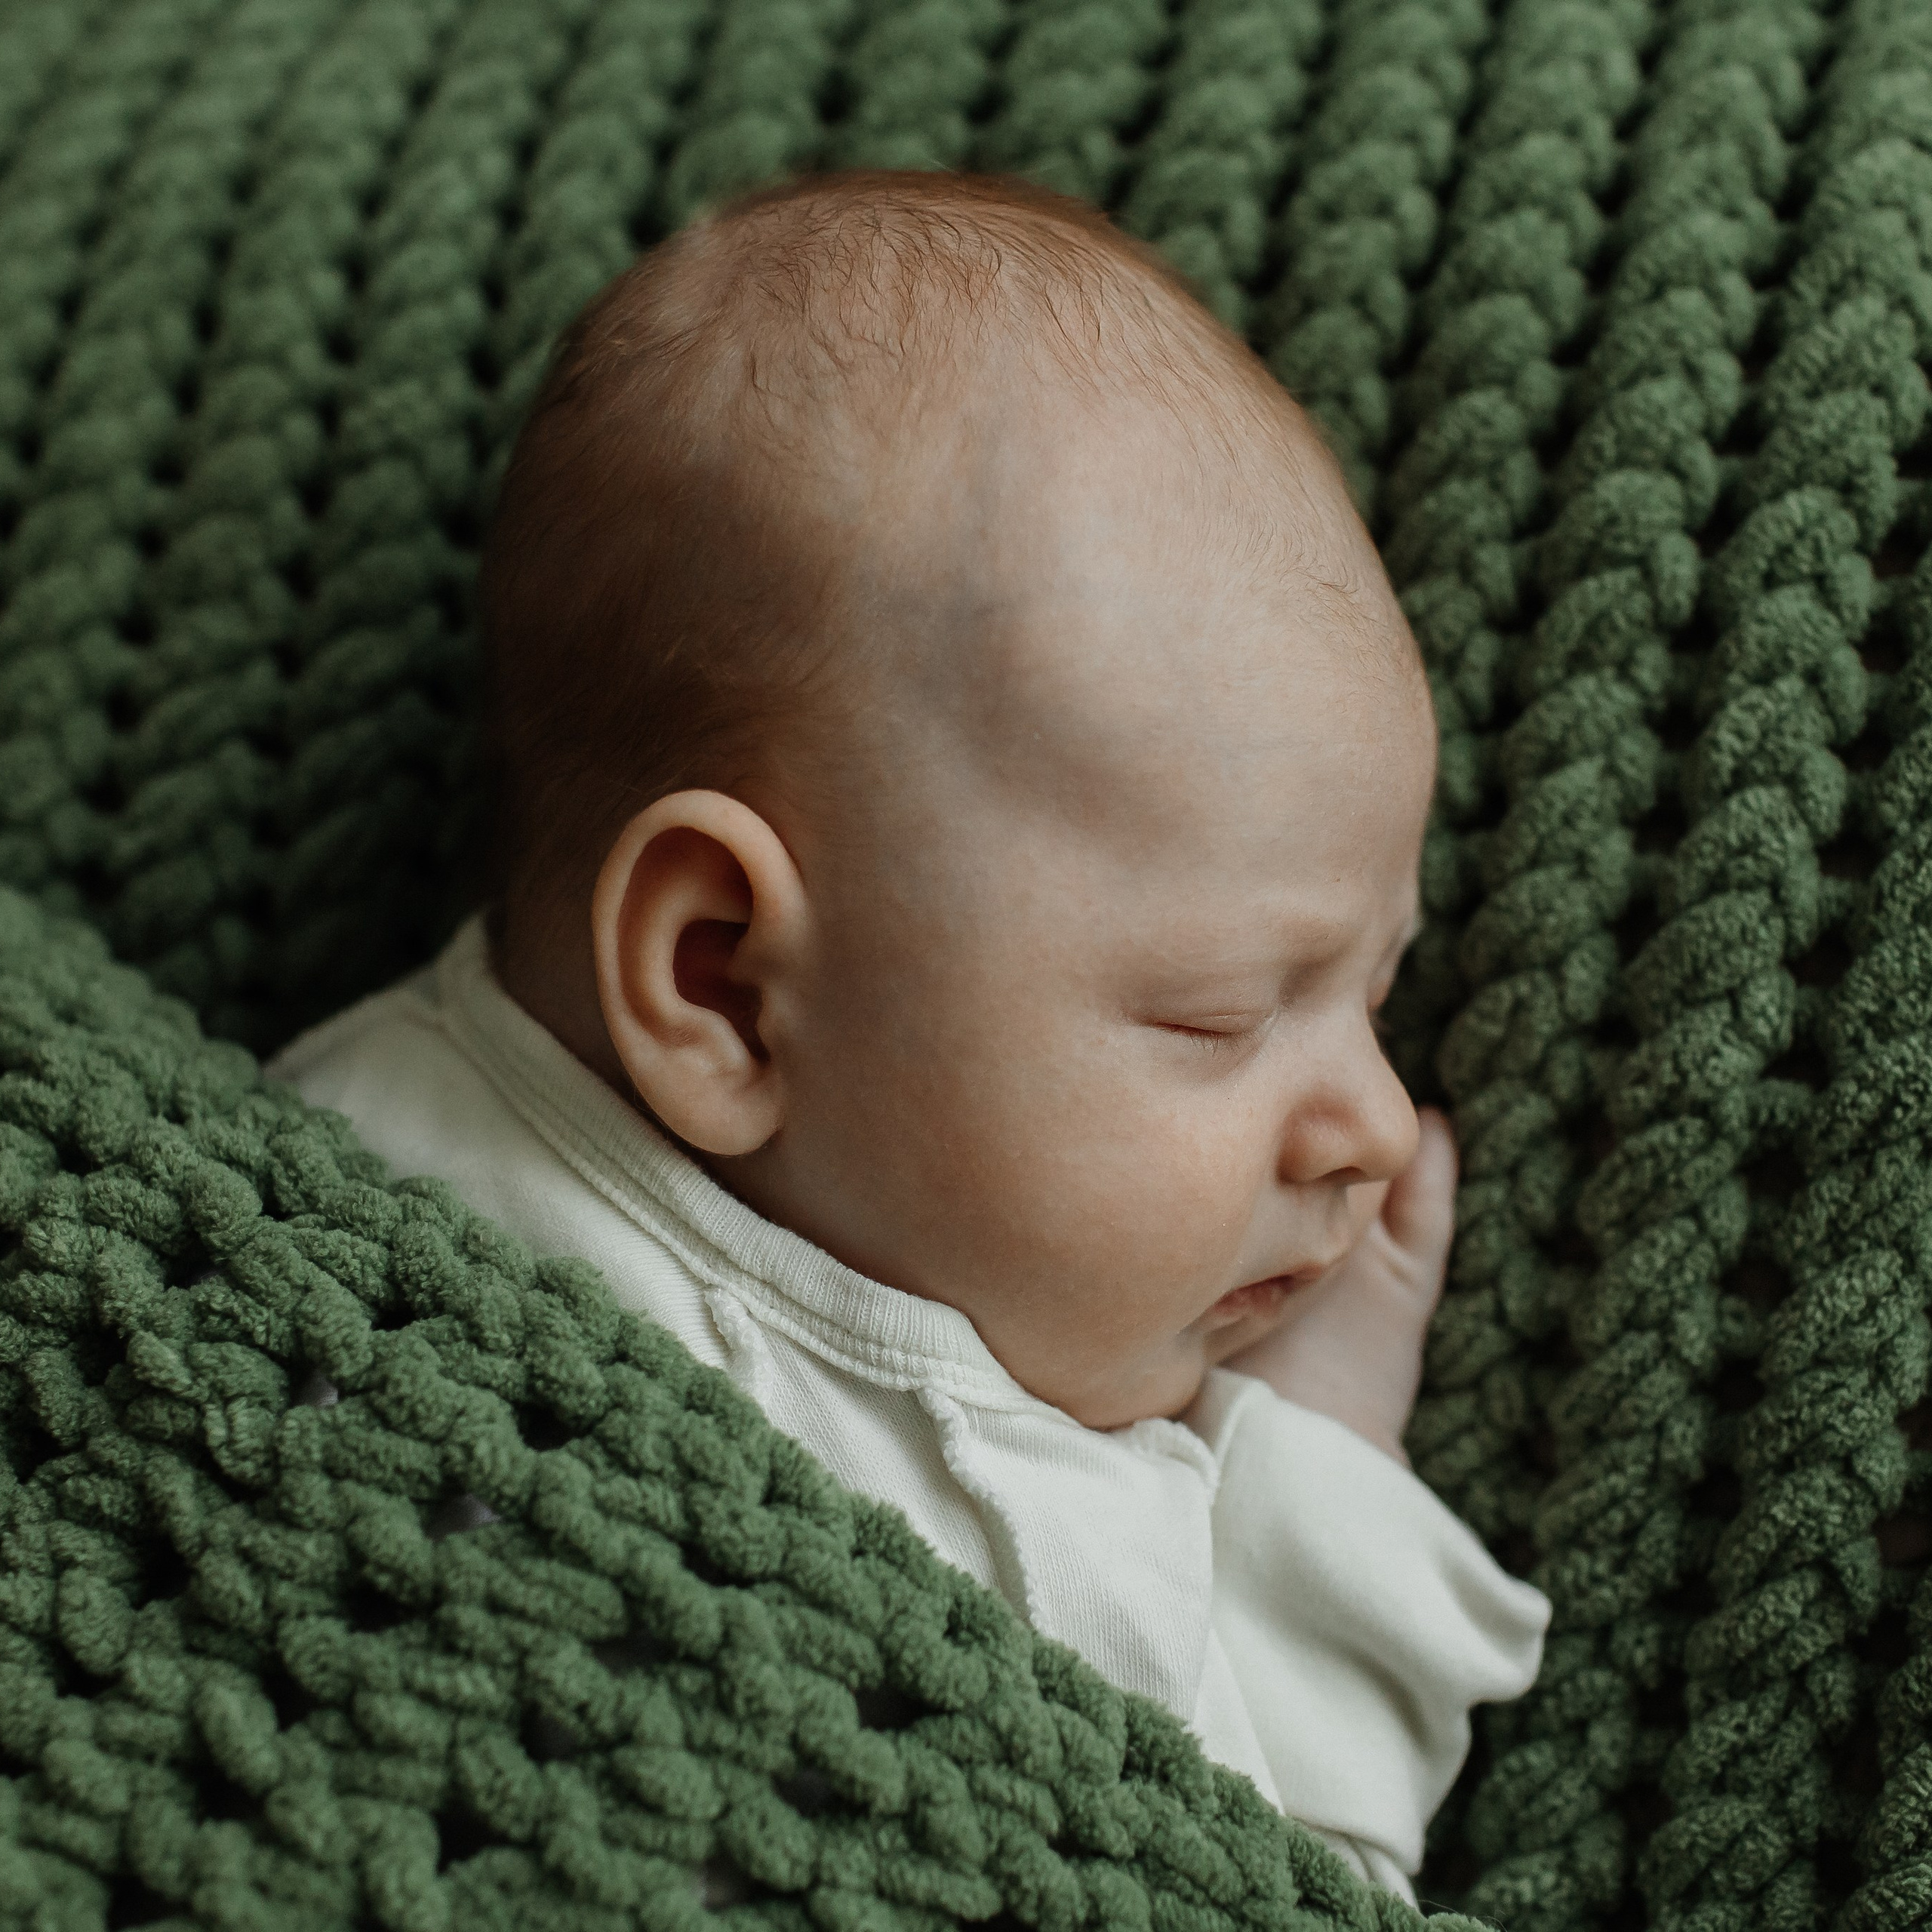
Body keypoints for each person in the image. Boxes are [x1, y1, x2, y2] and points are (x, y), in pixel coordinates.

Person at [272, 169, 1549, 1900]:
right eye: (1216, 1011)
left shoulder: (1117, 1500)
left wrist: (1313, 1454)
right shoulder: (339, 1233)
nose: (1377, 1124)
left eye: (1373, 998)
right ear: (722, 981)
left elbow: (1292, 1869)